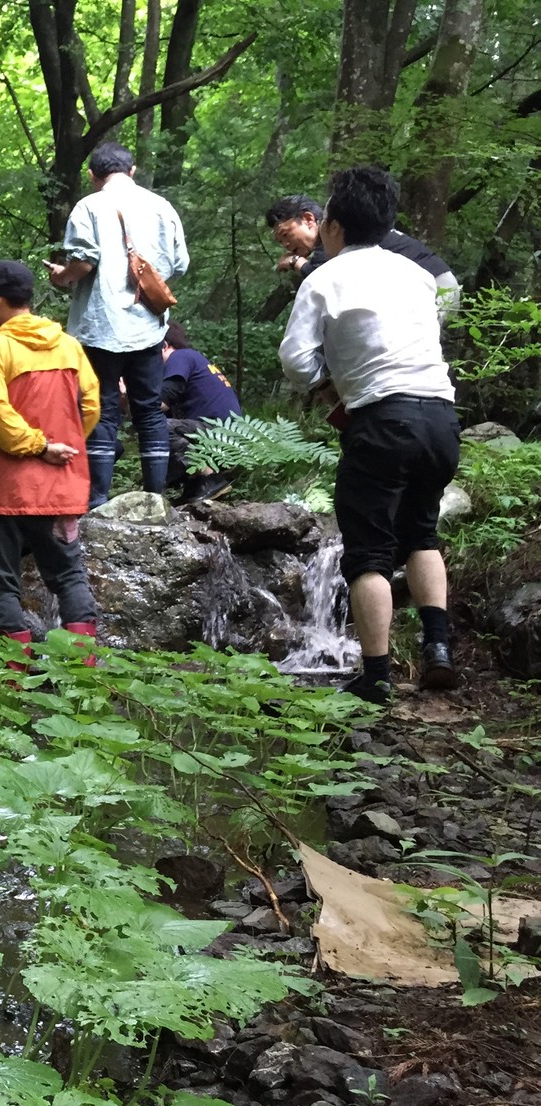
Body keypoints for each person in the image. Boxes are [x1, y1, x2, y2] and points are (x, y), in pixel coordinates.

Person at [278, 166, 462, 705]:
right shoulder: (415, 274)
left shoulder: (325, 276)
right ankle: (439, 651)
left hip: (382, 422)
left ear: (331, 226)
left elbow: (294, 360)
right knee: (422, 534)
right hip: (442, 419)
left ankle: (376, 675)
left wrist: (325, 386)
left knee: (369, 555)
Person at [0, 259, 102, 655]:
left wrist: (38, 446)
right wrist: (62, 446)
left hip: (5, 490)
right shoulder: (69, 346)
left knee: (1, 581)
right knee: (68, 576)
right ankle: (81, 665)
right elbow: (90, 406)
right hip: (62, 486)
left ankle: (12, 673)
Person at [47, 141, 189, 508]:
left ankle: (97, 500)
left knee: (102, 409)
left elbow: (84, 263)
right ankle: (154, 499)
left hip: (99, 327)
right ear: (133, 170)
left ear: (92, 175)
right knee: (148, 410)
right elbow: (178, 264)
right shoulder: (162, 206)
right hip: (148, 327)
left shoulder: (89, 206)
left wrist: (62, 276)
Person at [266, 194, 460, 313]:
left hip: (435, 288)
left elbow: (321, 276)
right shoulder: (344, 228)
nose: (286, 244)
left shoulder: (334, 233)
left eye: (286, 234)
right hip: (434, 285)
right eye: (280, 241)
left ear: (308, 219)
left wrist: (295, 261)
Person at [160, 320, 240, 503]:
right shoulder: (194, 359)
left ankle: (208, 477)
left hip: (219, 433)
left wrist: (130, 395)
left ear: (164, 345)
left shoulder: (180, 357)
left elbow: (163, 401)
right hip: (231, 434)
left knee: (157, 427)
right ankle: (196, 486)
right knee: (159, 427)